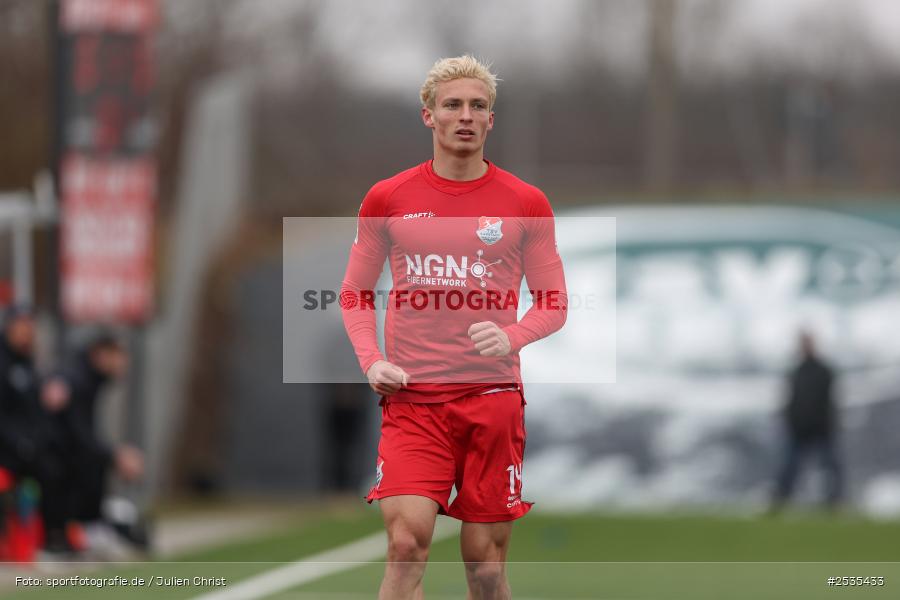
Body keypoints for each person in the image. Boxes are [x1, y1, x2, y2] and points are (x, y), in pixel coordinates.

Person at [340, 56, 567, 599]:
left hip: (491, 402)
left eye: (478, 106)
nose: (465, 115)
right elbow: (354, 294)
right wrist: (372, 361)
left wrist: (511, 336)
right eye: (453, 105)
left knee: (485, 570)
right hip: (414, 403)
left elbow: (554, 303)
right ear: (429, 116)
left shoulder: (525, 202)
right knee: (406, 545)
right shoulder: (388, 198)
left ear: (491, 120)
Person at [0, 306, 72, 552]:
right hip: (8, 448)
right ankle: (47, 538)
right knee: (48, 471)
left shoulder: (28, 363)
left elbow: (34, 411)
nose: (27, 333)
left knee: (65, 460)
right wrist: (21, 442)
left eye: (30, 328)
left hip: (29, 445)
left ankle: (60, 534)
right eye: (22, 327)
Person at [771, 331, 842, 512]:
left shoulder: (824, 371)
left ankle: (835, 502)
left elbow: (829, 401)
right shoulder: (796, 372)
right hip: (799, 429)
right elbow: (791, 401)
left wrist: (827, 423)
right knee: (790, 467)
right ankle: (780, 501)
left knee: (830, 467)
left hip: (821, 429)